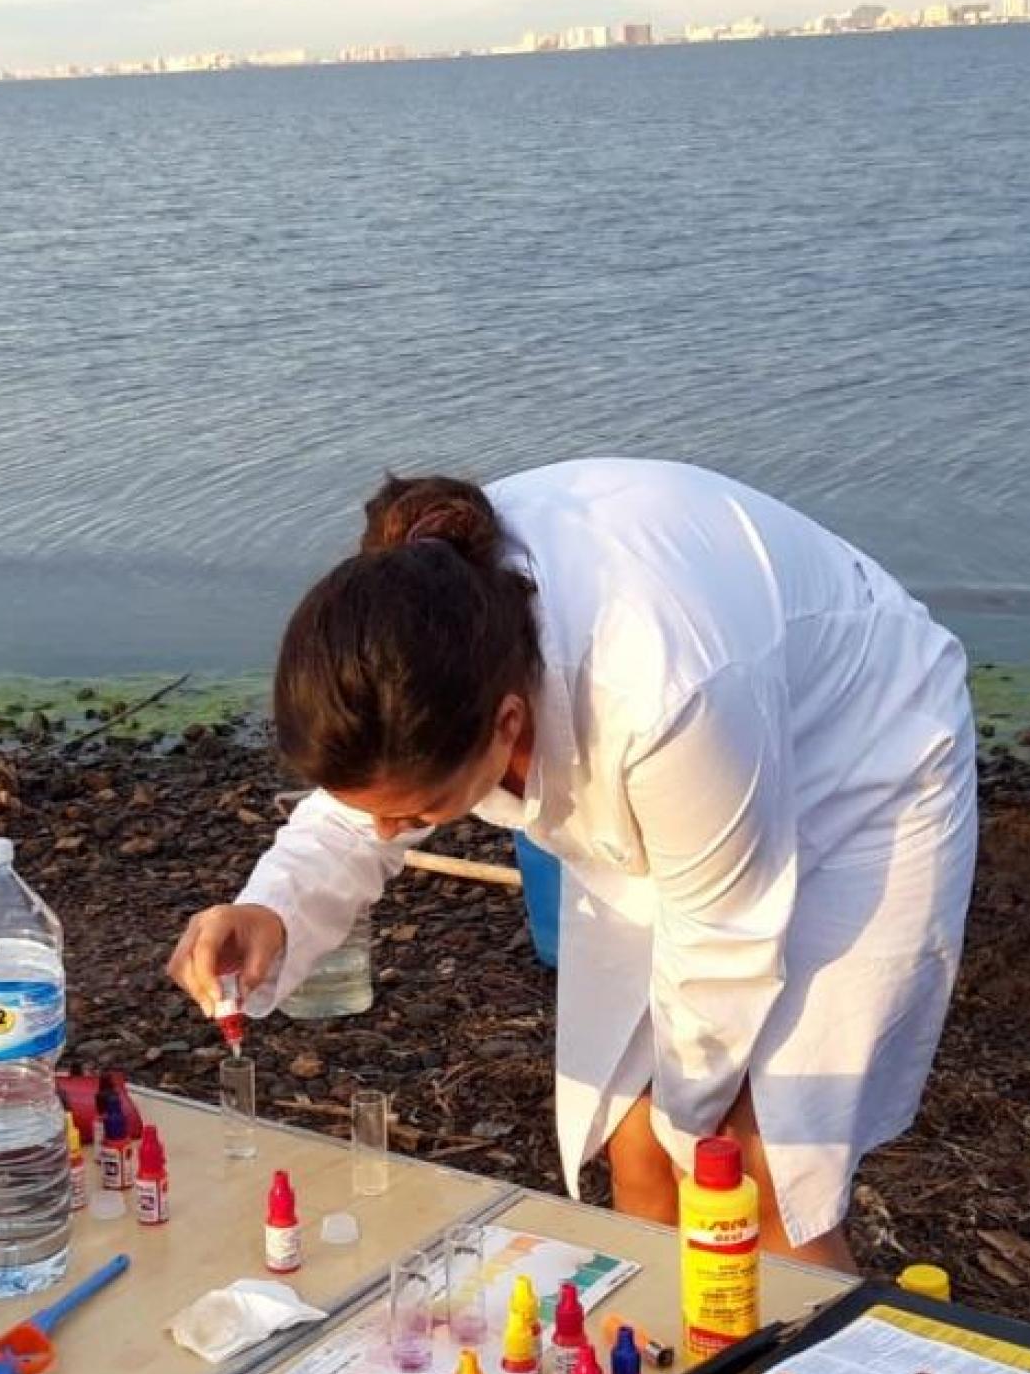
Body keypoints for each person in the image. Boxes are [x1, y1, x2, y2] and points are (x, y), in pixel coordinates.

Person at [169, 459, 977, 1271]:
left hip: (865, 757)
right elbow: (363, 803)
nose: (384, 831)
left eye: (415, 816)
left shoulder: (657, 682)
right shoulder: (422, 642)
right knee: (635, 1142)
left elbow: (723, 937)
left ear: (507, 722)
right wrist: (270, 907)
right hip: (692, 772)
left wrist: (698, 1125)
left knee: (757, 1175)